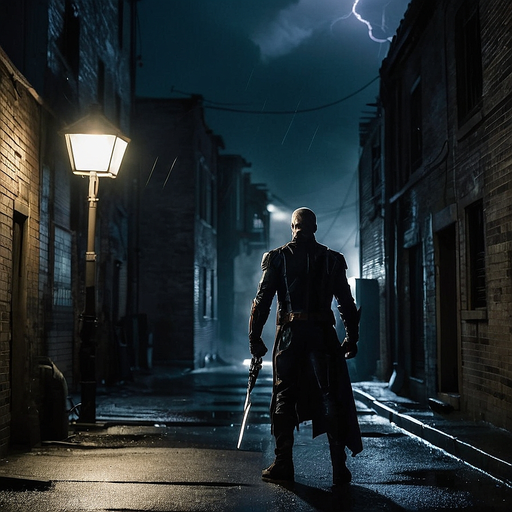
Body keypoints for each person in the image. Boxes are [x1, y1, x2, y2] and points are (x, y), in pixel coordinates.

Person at [248, 207, 362, 486]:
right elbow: (346, 304)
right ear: (314, 228)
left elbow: (262, 300)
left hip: (290, 334)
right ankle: (338, 469)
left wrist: (255, 337)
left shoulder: (277, 258)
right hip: (322, 334)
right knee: (330, 396)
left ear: (293, 227)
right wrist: (351, 337)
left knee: (284, 394)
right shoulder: (332, 260)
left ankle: (284, 463)